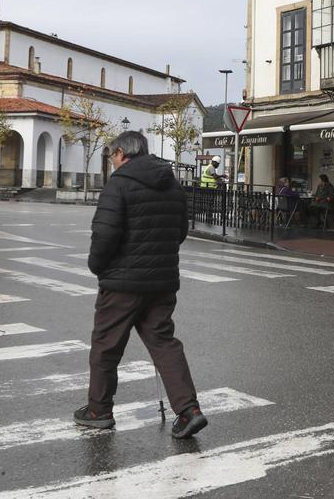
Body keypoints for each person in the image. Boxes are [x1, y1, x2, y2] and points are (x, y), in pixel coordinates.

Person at [75, 130, 207, 439]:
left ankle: (99, 410)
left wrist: (97, 266)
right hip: (162, 281)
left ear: (121, 152)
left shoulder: (117, 186)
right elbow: (180, 231)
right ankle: (189, 410)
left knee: (106, 345)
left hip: (122, 282)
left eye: (111, 155)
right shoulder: (172, 184)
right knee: (164, 343)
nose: (111, 161)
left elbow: (104, 235)